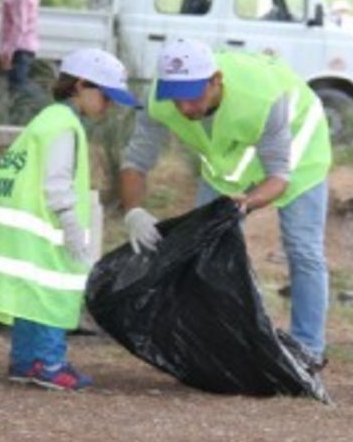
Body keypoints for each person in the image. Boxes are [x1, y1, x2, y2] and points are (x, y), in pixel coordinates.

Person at [119, 38, 332, 368]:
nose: (185, 109)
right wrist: (133, 210)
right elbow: (136, 161)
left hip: (297, 150)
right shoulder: (159, 98)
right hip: (231, 157)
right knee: (206, 245)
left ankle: (309, 347)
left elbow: (278, 176)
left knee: (303, 249)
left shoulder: (262, 99)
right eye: (176, 99)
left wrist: (245, 204)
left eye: (192, 97)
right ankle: (211, 336)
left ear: (215, 80)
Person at [0, 49, 139, 391]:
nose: (109, 105)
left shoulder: (47, 119)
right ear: (80, 85)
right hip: (46, 228)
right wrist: (73, 226)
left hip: (25, 227)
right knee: (51, 294)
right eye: (106, 96)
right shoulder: (64, 125)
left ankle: (25, 361)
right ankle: (49, 363)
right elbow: (57, 181)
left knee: (30, 296)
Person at [0, 0, 40, 93]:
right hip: (20, 48)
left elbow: (20, 27)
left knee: (16, 92)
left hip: (19, 49)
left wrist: (8, 52)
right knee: (16, 90)